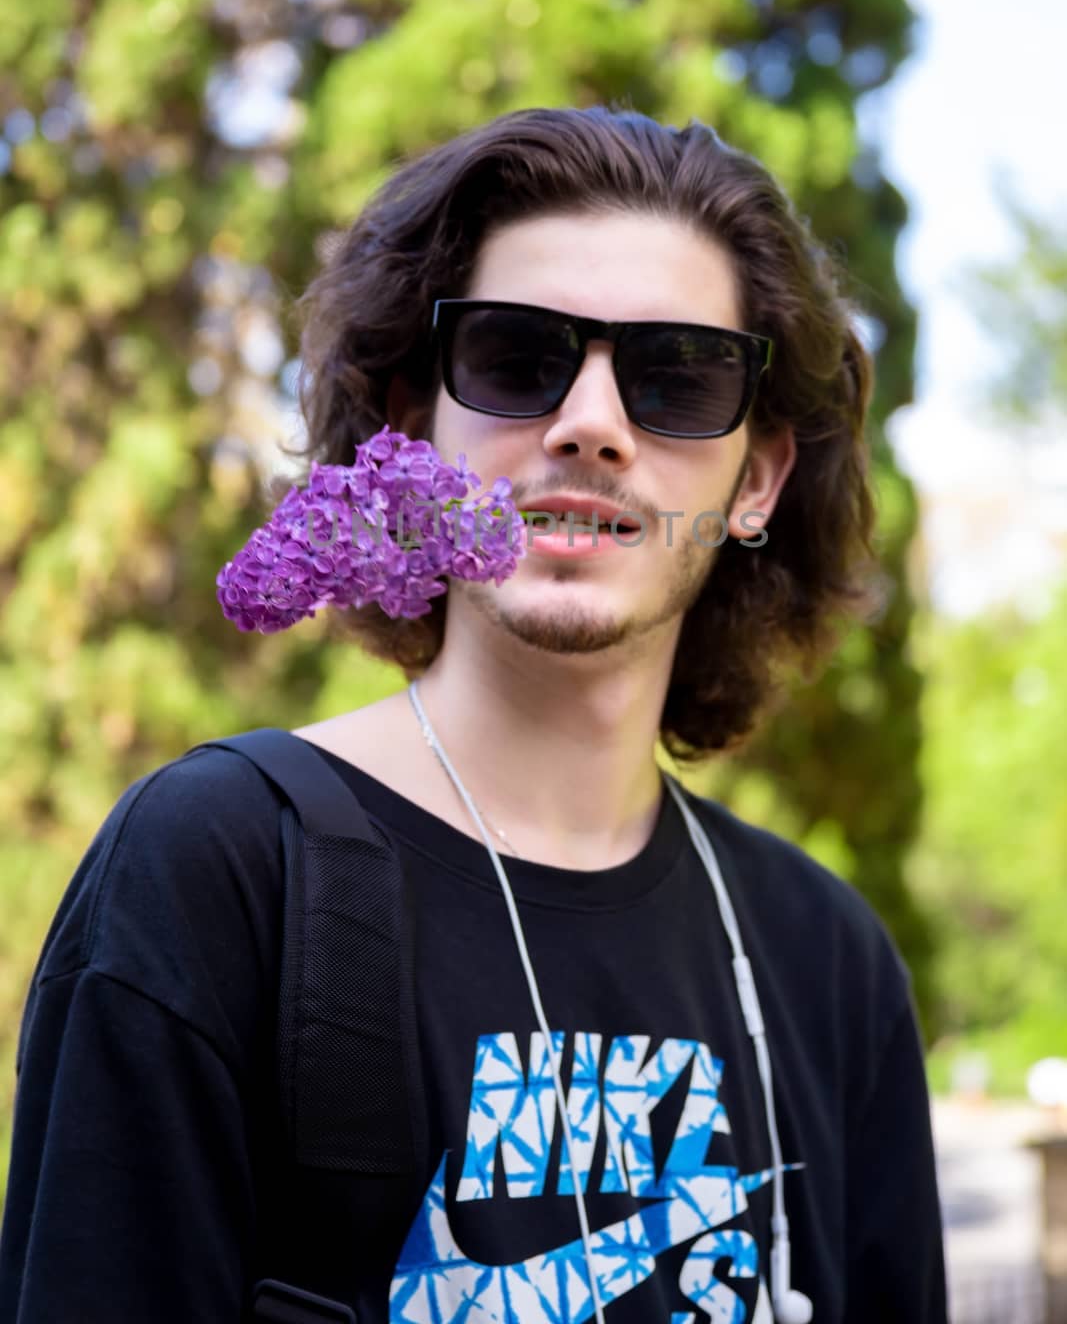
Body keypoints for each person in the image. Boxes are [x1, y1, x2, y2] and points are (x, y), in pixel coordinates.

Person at [0, 106, 947, 1323]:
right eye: (514, 358)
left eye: (676, 377)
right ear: (410, 427)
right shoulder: (221, 876)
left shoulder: (827, 965)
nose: (590, 424)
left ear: (755, 479)